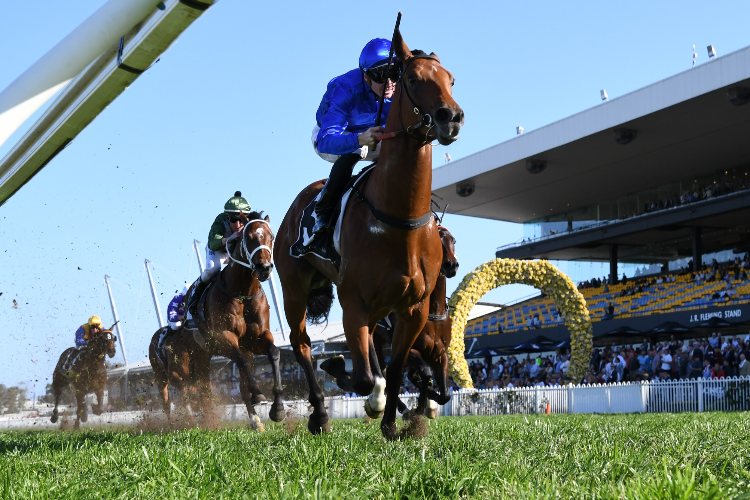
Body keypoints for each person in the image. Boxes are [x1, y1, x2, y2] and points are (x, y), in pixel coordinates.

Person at [310, 38, 398, 236]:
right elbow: (325, 141)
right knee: (359, 149)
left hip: (375, 132)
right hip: (333, 135)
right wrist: (358, 139)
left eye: (394, 73)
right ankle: (323, 210)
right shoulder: (344, 89)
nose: (390, 82)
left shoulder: (399, 85)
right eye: (381, 76)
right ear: (366, 76)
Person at [187, 192, 251, 314]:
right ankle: (195, 293)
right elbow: (213, 242)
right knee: (213, 269)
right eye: (233, 220)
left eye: (241, 220)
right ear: (227, 217)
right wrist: (230, 238)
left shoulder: (250, 222)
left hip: (235, 253)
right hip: (218, 250)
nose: (237, 225)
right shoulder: (220, 220)